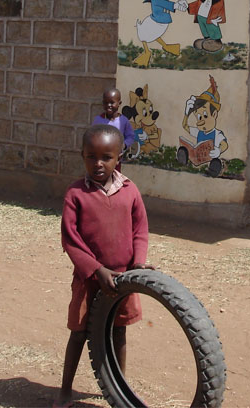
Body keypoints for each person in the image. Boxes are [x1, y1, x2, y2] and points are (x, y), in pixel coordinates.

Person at [55, 124, 153, 408]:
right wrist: (97, 269)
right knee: (79, 332)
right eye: (91, 156)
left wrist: (138, 263)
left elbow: (140, 230)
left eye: (106, 157)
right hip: (89, 278)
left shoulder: (130, 190)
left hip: (123, 278)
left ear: (119, 156)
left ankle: (118, 389)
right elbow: (70, 239)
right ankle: (65, 390)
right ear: (82, 155)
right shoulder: (75, 193)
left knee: (119, 332)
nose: (98, 163)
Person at [91, 87, 135, 168]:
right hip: (100, 159)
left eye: (112, 102)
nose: (109, 105)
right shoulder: (98, 120)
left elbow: (131, 136)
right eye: (105, 102)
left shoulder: (123, 121)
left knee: (114, 179)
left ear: (119, 103)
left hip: (115, 160)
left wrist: (124, 144)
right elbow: (91, 135)